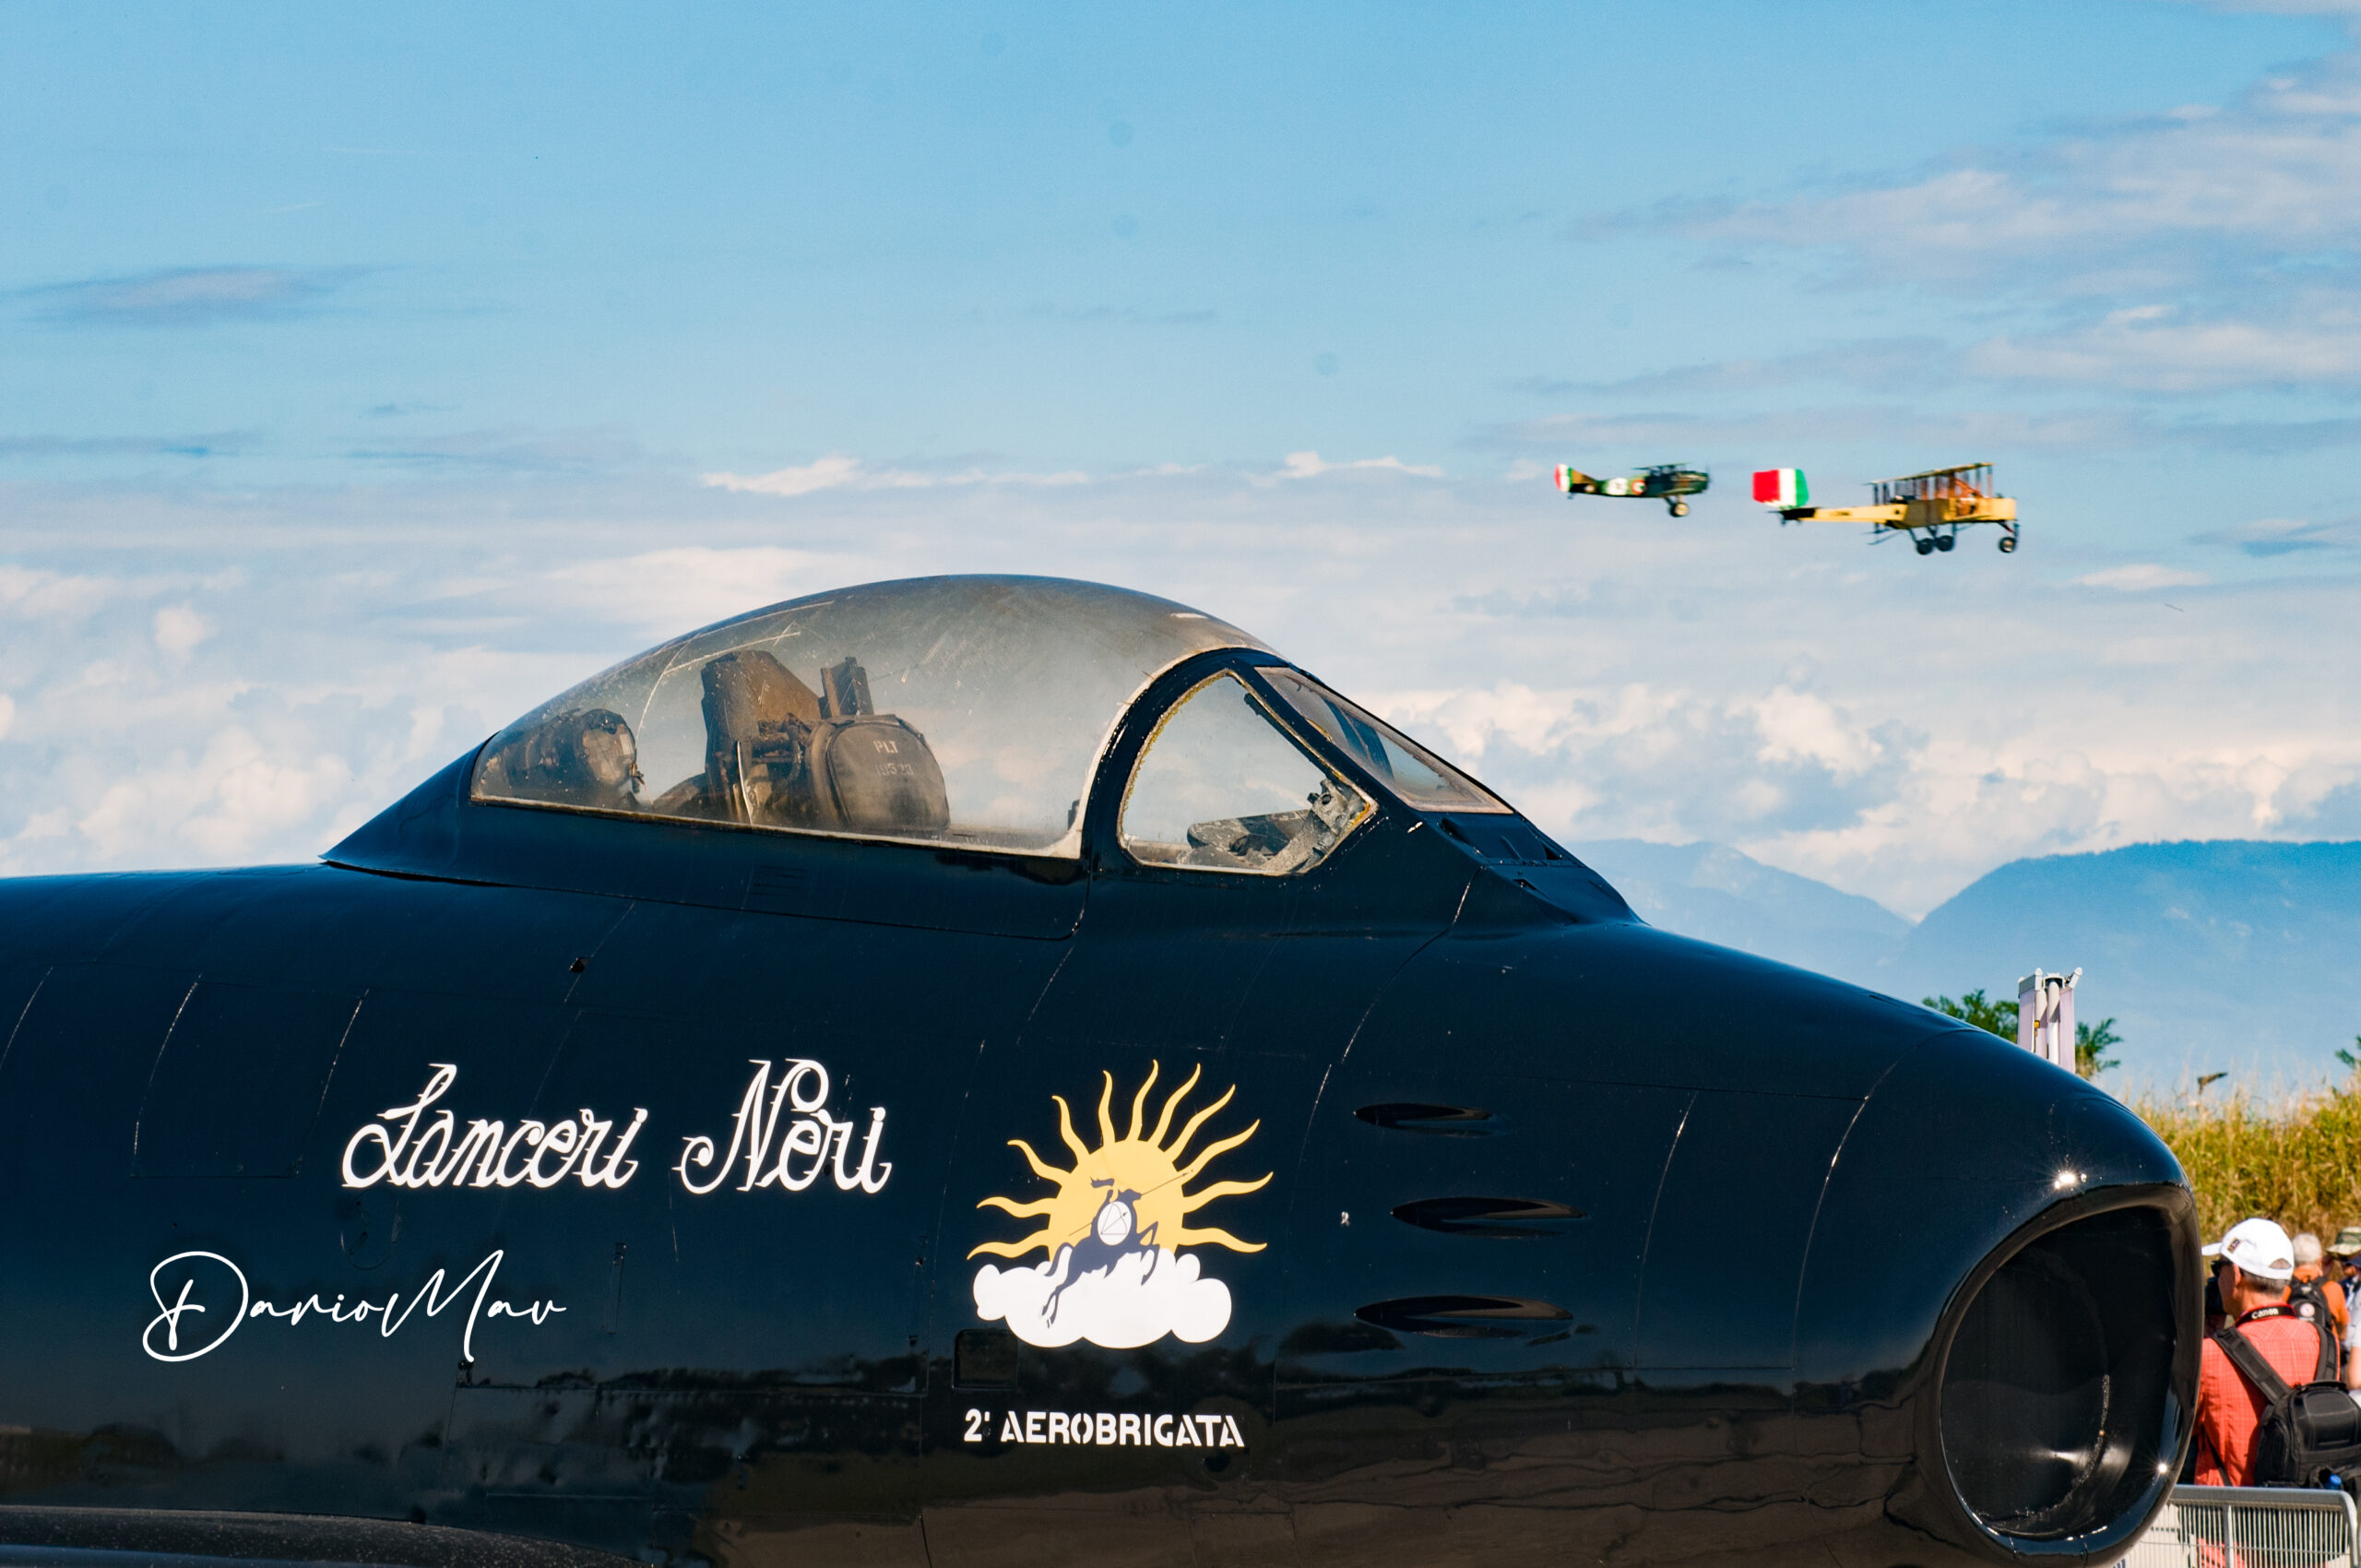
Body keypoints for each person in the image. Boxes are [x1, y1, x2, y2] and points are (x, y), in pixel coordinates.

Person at [2194, 1218, 2337, 1487]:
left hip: (2228, 1510)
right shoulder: (2326, 1343)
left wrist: (2204, 1334)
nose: (2216, 1279)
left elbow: (2180, 1431)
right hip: (2305, 1509)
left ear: (2236, 1274)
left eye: (2217, 1268)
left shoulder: (2210, 1354)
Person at [2289, 1230, 2350, 1369]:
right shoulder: (2333, 1288)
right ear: (2319, 1260)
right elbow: (2344, 1333)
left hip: (2294, 1360)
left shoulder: (2284, 1288)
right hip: (2326, 1364)